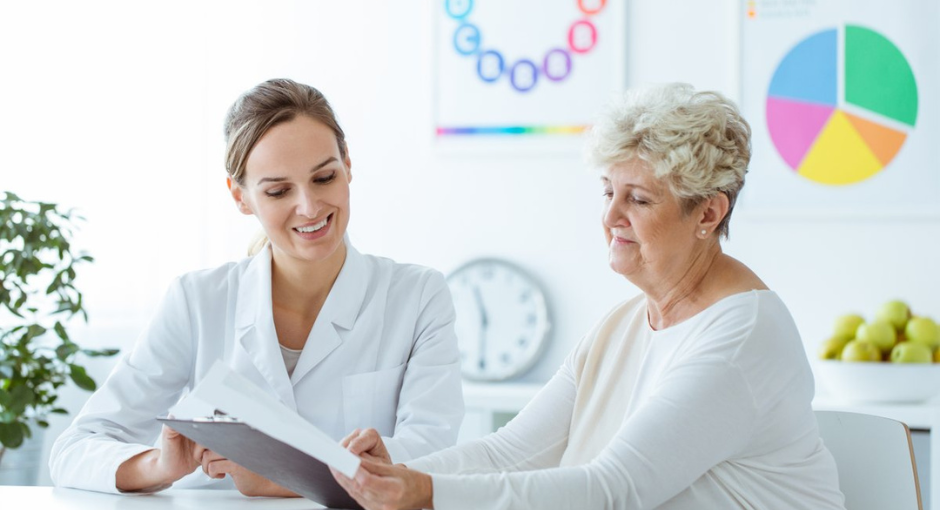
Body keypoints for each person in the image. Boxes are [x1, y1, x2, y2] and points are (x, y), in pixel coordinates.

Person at [330, 83, 847, 510]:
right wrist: (396, 470)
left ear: (708, 215)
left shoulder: (742, 336)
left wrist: (425, 493)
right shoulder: (624, 324)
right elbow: (512, 451)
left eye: (638, 199)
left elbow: (612, 490)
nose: (610, 217)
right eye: (608, 192)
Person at [49, 78, 464, 496]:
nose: (310, 207)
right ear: (240, 196)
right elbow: (73, 450)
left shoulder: (417, 296)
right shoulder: (197, 301)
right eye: (279, 190)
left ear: (348, 165)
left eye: (323, 178)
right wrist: (159, 464)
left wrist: (277, 477)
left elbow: (435, 456)